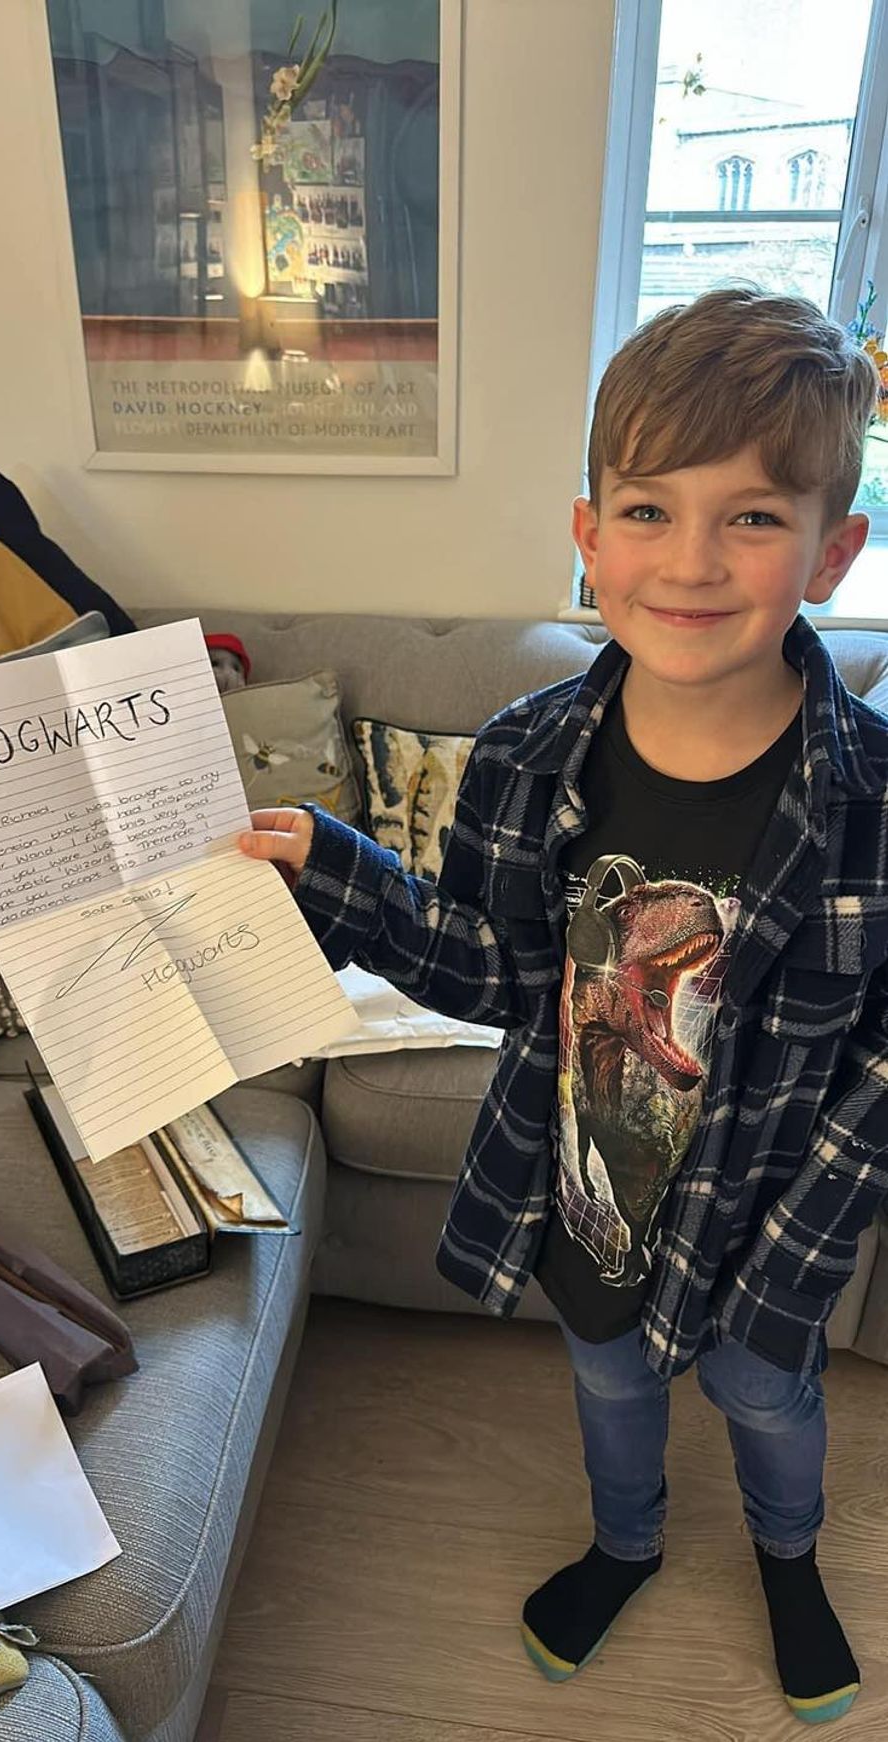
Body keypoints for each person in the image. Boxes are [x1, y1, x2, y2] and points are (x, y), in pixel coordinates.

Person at [236, 287, 888, 1725]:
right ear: (588, 538)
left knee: (771, 1403)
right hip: (588, 1198)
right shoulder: (530, 755)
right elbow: (483, 963)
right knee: (607, 1385)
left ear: (832, 551)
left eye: (756, 518)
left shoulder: (873, 801)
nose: (695, 562)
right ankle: (629, 1538)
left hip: (774, 1223)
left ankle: (792, 1557)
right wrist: (337, 868)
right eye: (649, 511)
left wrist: (789, 1258)